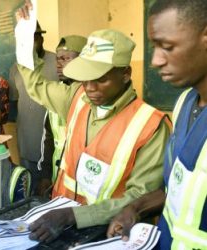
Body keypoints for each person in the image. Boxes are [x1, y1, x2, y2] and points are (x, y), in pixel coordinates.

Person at [15, 1, 171, 243]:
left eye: (101, 79)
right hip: (58, 221)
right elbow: (36, 85)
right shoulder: (76, 97)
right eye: (85, 78)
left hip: (106, 233)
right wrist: (23, 40)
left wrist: (75, 216)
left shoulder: (150, 125)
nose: (90, 88)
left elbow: (140, 196)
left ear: (126, 74)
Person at [107, 1, 207, 249]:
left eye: (167, 47)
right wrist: (135, 208)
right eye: (154, 47)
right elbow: (179, 187)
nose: (155, 61)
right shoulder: (185, 102)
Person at [9, 21, 58, 194]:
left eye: (33, 38)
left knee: (51, 192)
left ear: (41, 38)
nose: (29, 44)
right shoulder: (16, 68)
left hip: (53, 147)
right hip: (27, 143)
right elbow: (15, 102)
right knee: (29, 190)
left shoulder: (57, 62)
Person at [36, 35, 87, 196]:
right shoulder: (57, 93)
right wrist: (45, 176)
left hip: (83, 183)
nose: (58, 64)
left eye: (65, 59)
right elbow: (48, 139)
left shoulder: (93, 96)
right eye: (57, 59)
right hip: (58, 178)